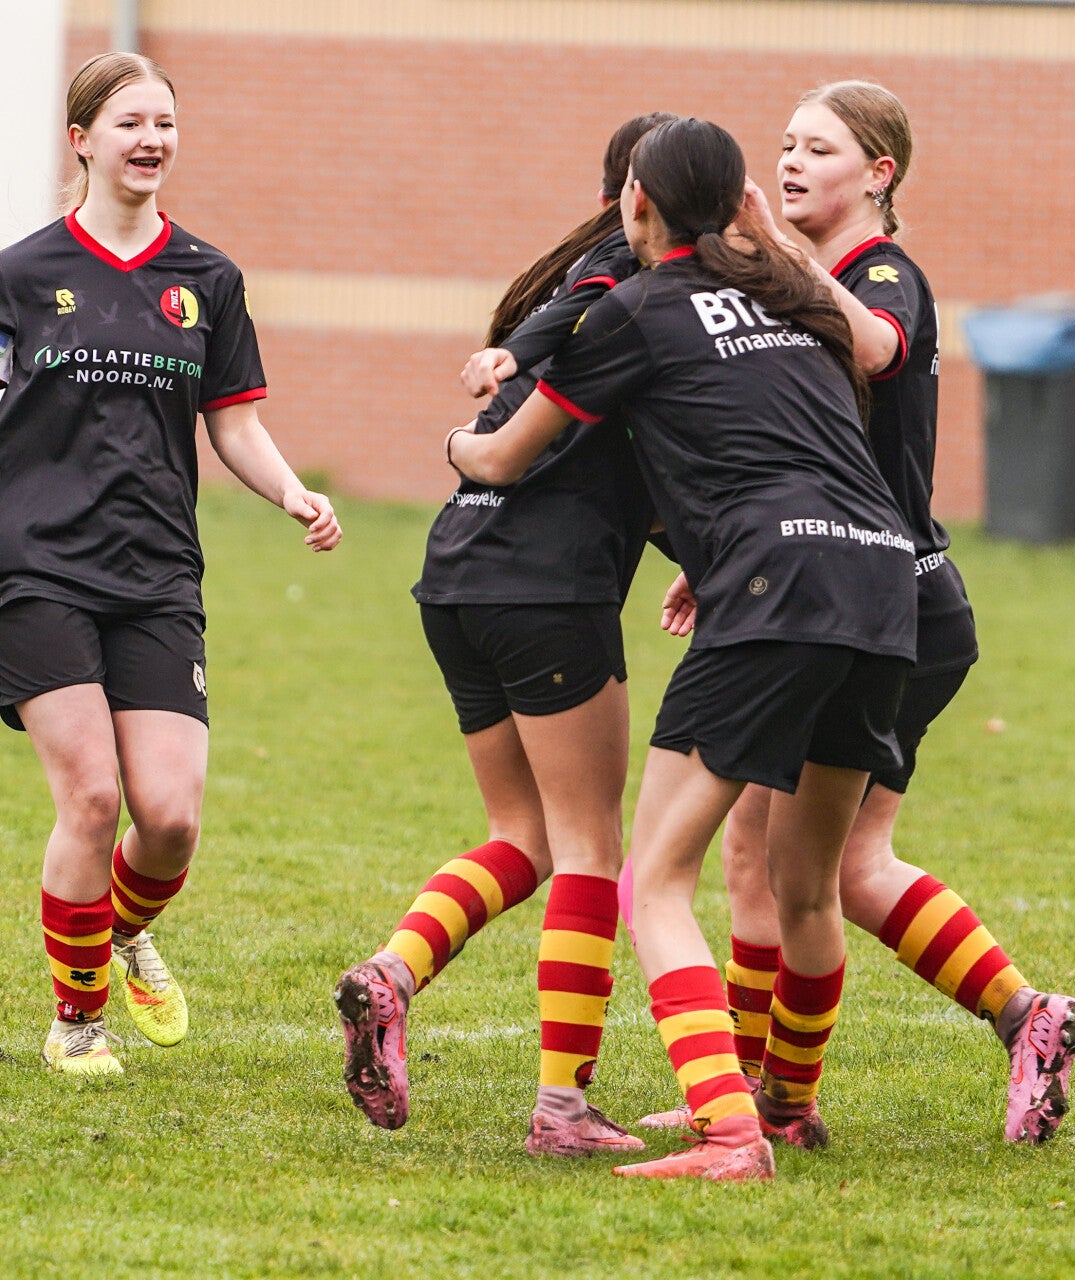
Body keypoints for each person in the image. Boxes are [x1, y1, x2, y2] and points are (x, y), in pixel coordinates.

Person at [0, 52, 340, 1077]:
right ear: (81, 141)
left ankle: (118, 928)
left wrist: (293, 490)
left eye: (165, 123)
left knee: (172, 818)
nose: (152, 141)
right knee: (93, 798)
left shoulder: (208, 279)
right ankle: (77, 1023)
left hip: (157, 570)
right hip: (33, 564)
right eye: (129, 124)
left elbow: (235, 425)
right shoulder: (23, 273)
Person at [452, 117, 920, 1182]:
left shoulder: (636, 307)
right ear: (744, 203)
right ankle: (784, 1104)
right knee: (808, 881)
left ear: (635, 205)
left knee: (655, 878)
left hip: (777, 588)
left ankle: (730, 1132)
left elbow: (506, 458)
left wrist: (455, 443)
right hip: (882, 580)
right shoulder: (795, 300)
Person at [638, 81, 1075, 1146]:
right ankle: (769, 1094)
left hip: (896, 597)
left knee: (822, 863)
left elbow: (877, 348)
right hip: (842, 585)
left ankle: (997, 1022)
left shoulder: (881, 274)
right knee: (774, 859)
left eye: (820, 149)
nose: (791, 163)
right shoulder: (815, 279)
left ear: (880, 173)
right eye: (786, 144)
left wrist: (765, 249)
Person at [334, 113, 676, 1157]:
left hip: (458, 573)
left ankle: (393, 972)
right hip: (547, 590)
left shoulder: (570, 278)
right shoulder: (632, 284)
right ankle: (563, 1107)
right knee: (590, 846)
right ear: (644, 197)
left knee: (522, 836)